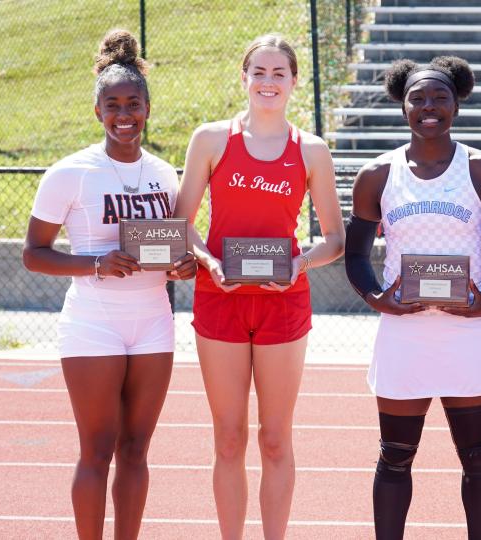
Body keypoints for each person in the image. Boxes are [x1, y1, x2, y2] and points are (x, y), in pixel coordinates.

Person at [22, 29, 195, 539]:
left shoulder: (164, 174)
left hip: (153, 324)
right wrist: (96, 263)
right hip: (93, 323)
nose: (125, 114)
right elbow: (33, 255)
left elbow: (175, 247)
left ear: (147, 108)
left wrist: (183, 267)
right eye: (113, 105)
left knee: (137, 449)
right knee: (98, 449)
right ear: (98, 111)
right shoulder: (70, 173)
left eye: (134, 104)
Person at [172, 34, 344, 539]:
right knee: (227, 439)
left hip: (283, 303)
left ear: (294, 81)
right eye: (259, 73)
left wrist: (300, 262)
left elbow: (333, 238)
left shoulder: (310, 150)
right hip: (220, 299)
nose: (268, 82)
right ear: (244, 78)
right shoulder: (210, 139)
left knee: (274, 439)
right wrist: (207, 260)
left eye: (279, 74)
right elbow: (182, 224)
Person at [344, 56, 481, 539]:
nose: (429, 107)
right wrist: (379, 298)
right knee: (395, 457)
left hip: (468, 330)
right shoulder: (377, 175)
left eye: (439, 97)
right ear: (402, 106)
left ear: (456, 103)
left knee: (478, 456)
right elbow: (356, 256)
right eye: (418, 98)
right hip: (404, 331)